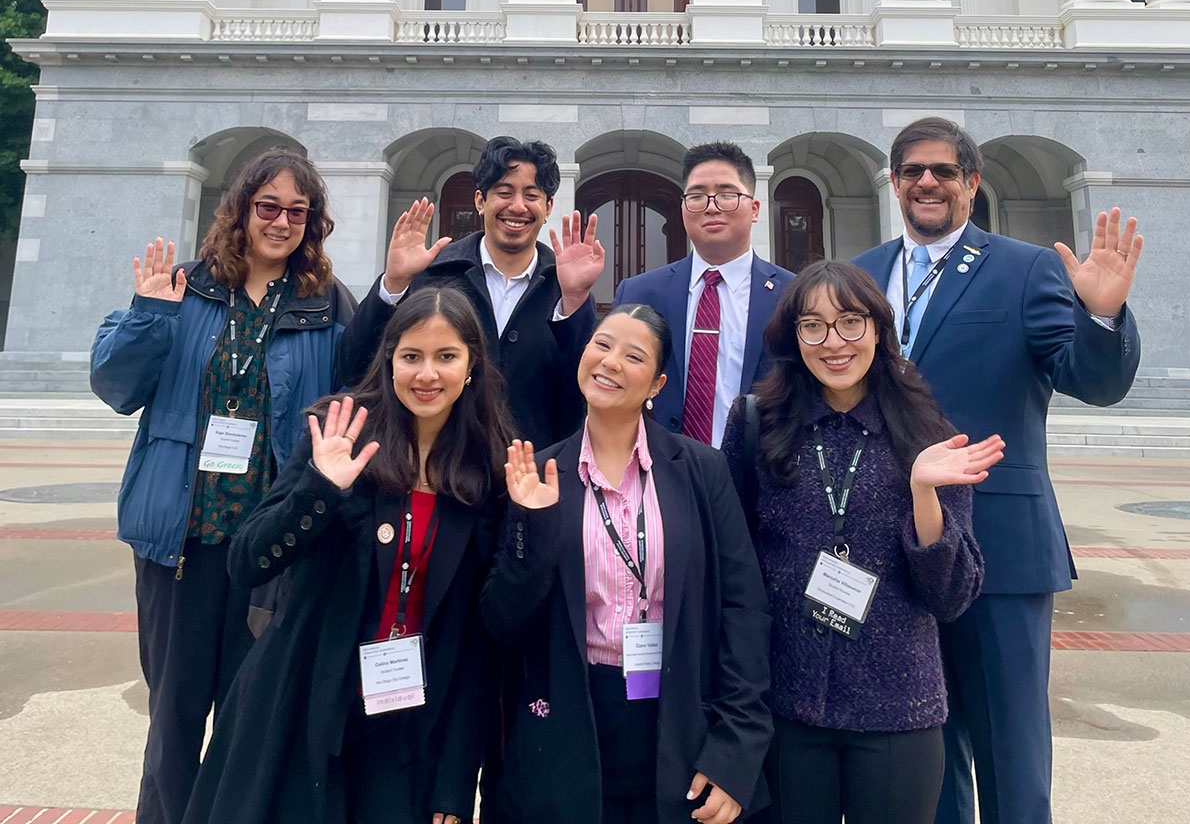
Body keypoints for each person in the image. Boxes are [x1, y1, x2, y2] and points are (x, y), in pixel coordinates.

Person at [853, 117, 1142, 824]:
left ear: (971, 184)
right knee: (926, 744)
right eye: (912, 171)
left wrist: (1099, 318)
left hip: (999, 550)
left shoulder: (1023, 267)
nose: (927, 182)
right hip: (893, 550)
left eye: (944, 171)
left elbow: (1090, 382)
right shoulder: (860, 275)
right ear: (893, 183)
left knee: (1011, 749)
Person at [90, 150, 356, 824]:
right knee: (174, 718)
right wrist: (148, 316)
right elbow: (116, 387)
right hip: (181, 541)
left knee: (251, 719)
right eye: (269, 206)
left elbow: (356, 387)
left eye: (299, 211)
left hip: (266, 550)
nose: (283, 221)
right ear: (240, 210)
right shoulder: (183, 287)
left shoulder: (324, 303)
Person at [183, 285, 513, 824]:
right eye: (411, 356)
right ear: (389, 361)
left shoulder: (487, 466)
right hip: (304, 698)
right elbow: (248, 560)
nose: (426, 374)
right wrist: (320, 487)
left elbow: (475, 642)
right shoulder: (342, 431)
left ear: (472, 366)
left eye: (446, 356)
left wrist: (454, 786)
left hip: (407, 718)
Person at [722, 262, 1000, 824]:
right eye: (813, 326)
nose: (834, 342)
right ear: (792, 337)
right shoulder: (757, 422)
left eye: (851, 322)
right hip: (785, 706)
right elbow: (734, 566)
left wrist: (924, 492)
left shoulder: (930, 437)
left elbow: (952, 596)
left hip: (898, 707)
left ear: (878, 328)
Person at [482, 304, 772, 824]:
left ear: (657, 383)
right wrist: (532, 526)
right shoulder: (540, 471)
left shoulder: (701, 470)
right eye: (601, 345)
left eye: (632, 355)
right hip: (569, 725)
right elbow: (504, 622)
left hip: (680, 722)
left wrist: (736, 751)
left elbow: (744, 609)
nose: (610, 362)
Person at [337, 135, 603, 449]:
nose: (517, 207)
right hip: (440, 468)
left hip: (533, 476)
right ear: (480, 200)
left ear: (548, 207)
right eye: (504, 193)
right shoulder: (435, 275)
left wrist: (574, 302)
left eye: (531, 195)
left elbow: (587, 392)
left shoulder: (565, 286)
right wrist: (394, 284)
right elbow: (354, 368)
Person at [613, 142, 788, 446]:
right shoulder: (640, 291)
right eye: (697, 196)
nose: (711, 206)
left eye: (726, 195)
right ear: (683, 208)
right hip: (659, 474)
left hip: (762, 474)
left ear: (755, 209)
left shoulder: (792, 293)